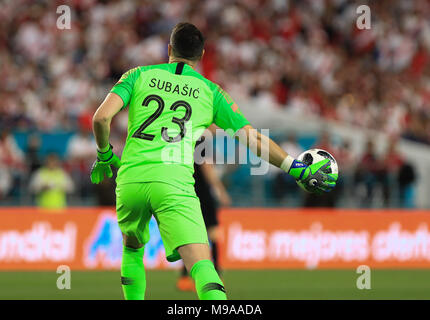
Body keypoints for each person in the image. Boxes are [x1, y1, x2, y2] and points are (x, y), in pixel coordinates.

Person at [90, 22, 336, 300]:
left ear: (169, 49)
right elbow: (253, 140)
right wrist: (295, 166)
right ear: (202, 55)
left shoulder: (137, 75)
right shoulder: (211, 92)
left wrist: (104, 155)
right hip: (174, 183)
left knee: (132, 249)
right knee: (202, 266)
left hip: (131, 178)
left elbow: (101, 117)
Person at [176, 132, 231, 292]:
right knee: (213, 233)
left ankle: (185, 277)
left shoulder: (186, 138)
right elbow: (206, 168)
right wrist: (221, 191)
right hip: (202, 193)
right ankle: (216, 274)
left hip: (185, 191)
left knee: (188, 236)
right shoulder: (201, 140)